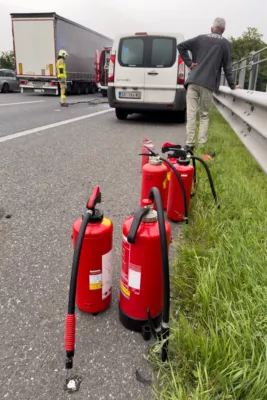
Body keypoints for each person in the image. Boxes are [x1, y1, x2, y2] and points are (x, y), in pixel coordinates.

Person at [177, 18, 241, 152]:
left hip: (193, 82)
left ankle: (189, 145)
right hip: (208, 84)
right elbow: (227, 68)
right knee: (204, 114)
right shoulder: (225, 44)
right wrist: (233, 86)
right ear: (223, 30)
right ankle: (201, 146)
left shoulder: (200, 38)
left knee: (191, 114)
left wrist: (189, 63)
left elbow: (181, 46)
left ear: (212, 28)